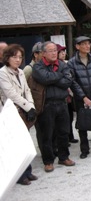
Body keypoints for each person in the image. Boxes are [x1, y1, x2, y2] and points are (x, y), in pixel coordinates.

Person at [32, 41, 75, 172]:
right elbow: (44, 79)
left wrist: (52, 79)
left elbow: (68, 81)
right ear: (43, 53)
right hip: (47, 104)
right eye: (50, 50)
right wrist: (59, 76)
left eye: (55, 50)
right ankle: (48, 160)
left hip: (62, 103)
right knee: (47, 134)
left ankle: (64, 157)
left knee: (64, 132)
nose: (54, 53)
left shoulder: (62, 64)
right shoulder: (38, 66)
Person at [0, 44, 38, 185]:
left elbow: (27, 90)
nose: (17, 60)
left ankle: (27, 171)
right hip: (11, 111)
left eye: (20, 57)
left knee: (25, 142)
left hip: (24, 110)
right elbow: (11, 94)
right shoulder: (3, 73)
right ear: (7, 58)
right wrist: (28, 107)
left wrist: (31, 106)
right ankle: (19, 175)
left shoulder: (21, 72)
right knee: (16, 145)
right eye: (14, 57)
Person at [68, 36, 91, 159]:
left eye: (88, 44)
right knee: (82, 124)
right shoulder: (72, 63)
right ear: (77, 47)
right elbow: (73, 82)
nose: (87, 46)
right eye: (83, 44)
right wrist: (83, 97)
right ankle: (84, 149)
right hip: (81, 98)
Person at [56, 44, 78, 144]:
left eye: (64, 52)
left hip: (69, 95)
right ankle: (63, 140)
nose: (63, 54)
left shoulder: (67, 63)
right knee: (61, 120)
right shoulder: (55, 66)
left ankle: (70, 136)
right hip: (60, 96)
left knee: (69, 116)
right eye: (61, 52)